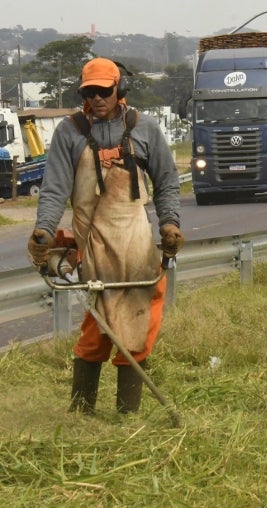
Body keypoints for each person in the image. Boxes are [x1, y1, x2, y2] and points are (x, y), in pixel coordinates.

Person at [27, 57, 184, 415]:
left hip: (136, 243)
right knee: (97, 327)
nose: (97, 98)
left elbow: (166, 181)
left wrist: (169, 224)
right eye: (90, 92)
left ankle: (127, 415)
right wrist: (44, 231)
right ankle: (82, 411)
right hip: (93, 244)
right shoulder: (70, 132)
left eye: (104, 91)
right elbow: (53, 189)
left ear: (120, 90)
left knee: (139, 325)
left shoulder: (145, 129)